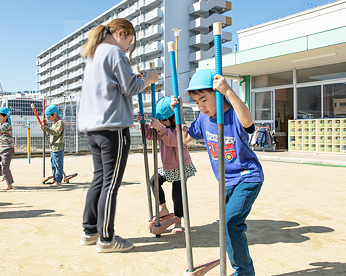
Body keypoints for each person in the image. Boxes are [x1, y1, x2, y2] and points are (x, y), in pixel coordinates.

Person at [77, 18, 159, 253]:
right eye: (129, 42)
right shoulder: (114, 52)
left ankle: (89, 231)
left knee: (100, 180)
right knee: (111, 185)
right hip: (113, 128)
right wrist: (149, 79)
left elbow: (121, 83)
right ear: (122, 33)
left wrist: (138, 78)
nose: (127, 48)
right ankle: (106, 238)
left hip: (94, 128)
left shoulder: (96, 53)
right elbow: (131, 87)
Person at [172, 69, 264, 276]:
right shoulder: (204, 120)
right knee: (226, 225)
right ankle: (240, 268)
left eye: (204, 99)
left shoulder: (233, 113)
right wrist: (175, 114)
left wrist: (229, 91)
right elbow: (184, 139)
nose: (201, 106)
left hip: (247, 177)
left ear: (219, 94)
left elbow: (248, 122)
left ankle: (244, 272)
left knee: (231, 222)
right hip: (226, 181)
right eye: (196, 102)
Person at [137, 96, 196, 234]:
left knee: (177, 194)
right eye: (161, 121)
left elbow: (174, 140)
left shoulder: (181, 128)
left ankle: (178, 220)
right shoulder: (161, 129)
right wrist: (143, 124)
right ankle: (163, 207)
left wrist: (161, 128)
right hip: (166, 166)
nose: (162, 123)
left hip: (180, 166)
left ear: (174, 117)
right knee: (154, 181)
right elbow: (150, 135)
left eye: (164, 120)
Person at [41, 105, 65, 188]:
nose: (48, 119)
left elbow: (55, 132)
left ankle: (58, 181)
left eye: (49, 117)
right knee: (53, 164)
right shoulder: (54, 123)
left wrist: (45, 128)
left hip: (58, 147)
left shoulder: (60, 123)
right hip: (53, 147)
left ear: (54, 114)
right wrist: (46, 125)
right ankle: (55, 178)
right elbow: (50, 130)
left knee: (58, 164)